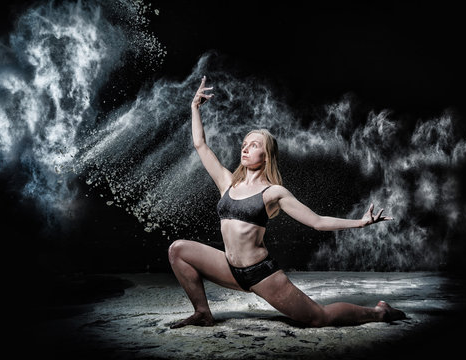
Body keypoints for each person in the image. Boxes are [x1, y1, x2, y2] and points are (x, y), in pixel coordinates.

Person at [168, 76, 406, 328]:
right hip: (229, 267)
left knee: (318, 317)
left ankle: (380, 312)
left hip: (259, 273)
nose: (246, 149)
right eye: (245, 144)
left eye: (254, 145)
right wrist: (195, 107)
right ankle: (203, 312)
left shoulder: (273, 192)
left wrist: (360, 223)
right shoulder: (227, 183)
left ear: (266, 155)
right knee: (178, 250)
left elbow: (317, 221)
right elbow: (200, 145)